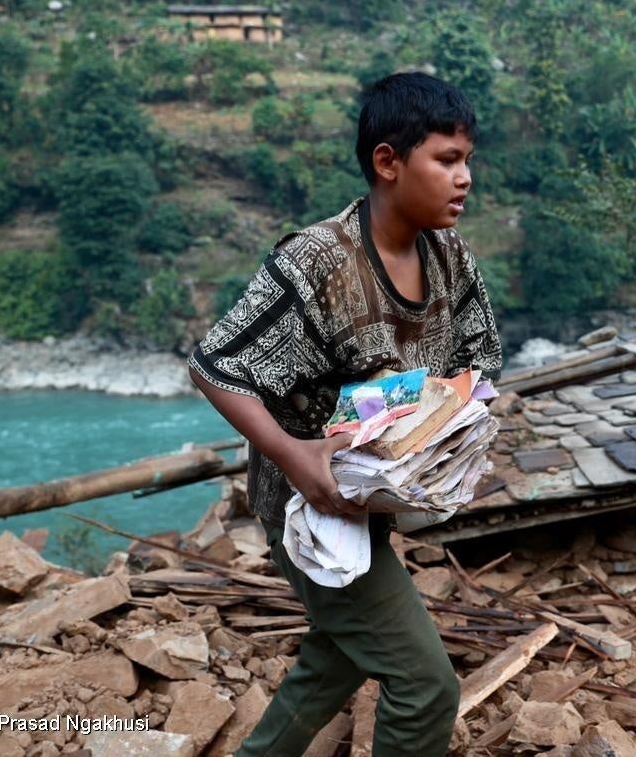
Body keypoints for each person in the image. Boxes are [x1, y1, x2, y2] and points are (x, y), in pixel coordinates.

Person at [189, 71, 502, 756]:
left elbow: (480, 365)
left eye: (467, 159)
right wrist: (296, 457)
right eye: (447, 160)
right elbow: (217, 366)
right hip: (311, 508)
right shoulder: (318, 262)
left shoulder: (449, 257)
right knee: (426, 687)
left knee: (338, 655)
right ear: (388, 162)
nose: (465, 177)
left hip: (372, 497)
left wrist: (422, 419)